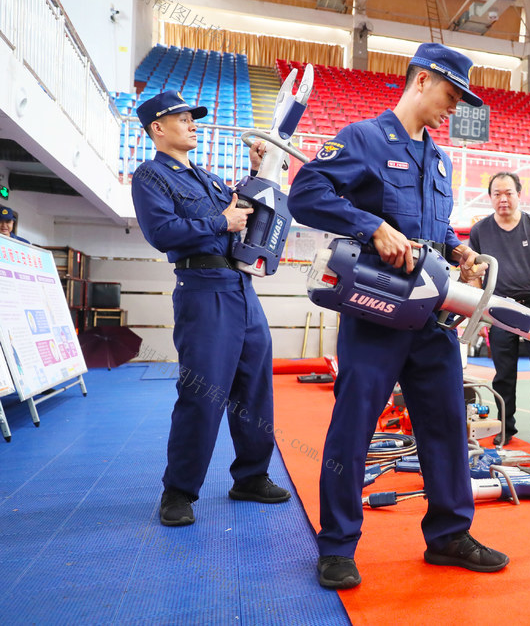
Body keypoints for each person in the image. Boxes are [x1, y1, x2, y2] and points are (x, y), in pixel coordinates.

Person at [287, 43, 509, 589]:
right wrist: (370, 226)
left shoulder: (440, 159)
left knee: (446, 425)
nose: (453, 109)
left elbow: (433, 231)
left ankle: (449, 535)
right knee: (353, 426)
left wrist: (460, 254)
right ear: (422, 81)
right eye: (451, 95)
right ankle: (337, 544)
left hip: (429, 317)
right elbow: (305, 194)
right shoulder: (363, 138)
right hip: (376, 313)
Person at [131, 91, 290, 528]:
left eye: (192, 117)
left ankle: (252, 477)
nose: (193, 123)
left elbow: (243, 207)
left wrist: (259, 170)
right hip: (202, 289)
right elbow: (163, 232)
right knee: (201, 393)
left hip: (241, 289)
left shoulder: (207, 177)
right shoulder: (150, 177)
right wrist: (221, 222)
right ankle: (179, 492)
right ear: (157, 129)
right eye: (182, 118)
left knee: (255, 389)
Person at [468, 171, 530, 448]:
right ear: (491, 197)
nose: (503, 198)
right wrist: (479, 309)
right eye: (497, 193)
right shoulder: (480, 230)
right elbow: (474, 272)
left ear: (519, 194)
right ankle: (506, 428)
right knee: (503, 372)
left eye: (509, 193)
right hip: (497, 306)